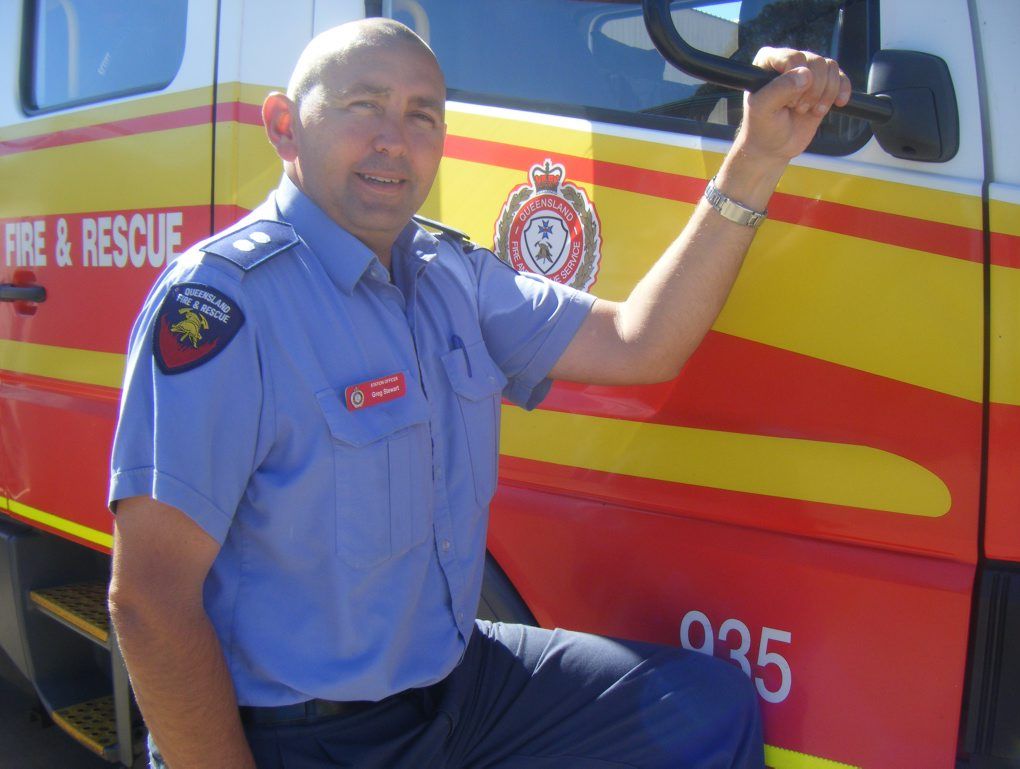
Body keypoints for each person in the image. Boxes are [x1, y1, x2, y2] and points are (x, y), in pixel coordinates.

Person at [107, 18, 850, 769]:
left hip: (460, 688)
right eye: (364, 104)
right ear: (283, 125)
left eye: (422, 114)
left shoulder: (449, 273)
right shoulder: (225, 306)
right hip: (308, 736)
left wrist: (755, 159)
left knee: (702, 711)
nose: (395, 139)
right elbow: (149, 600)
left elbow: (640, 342)